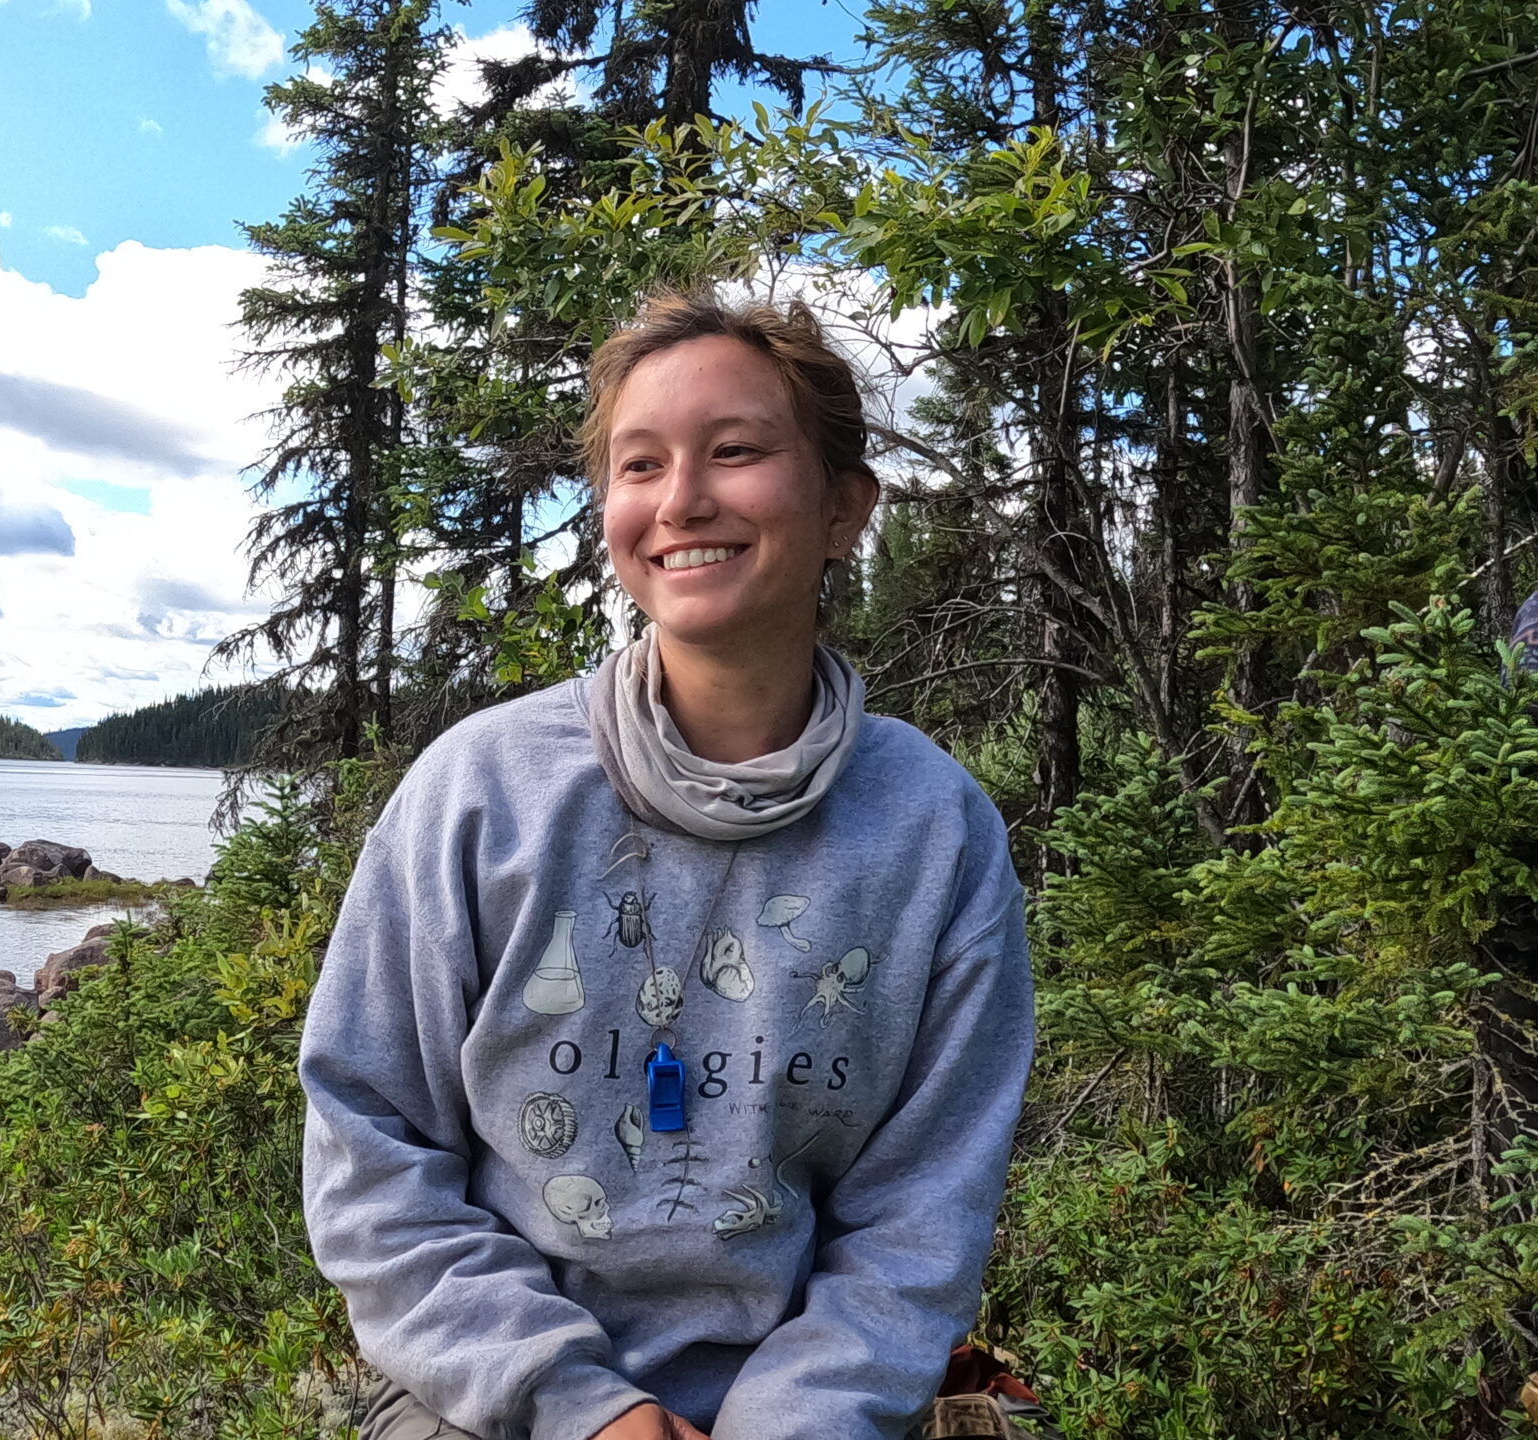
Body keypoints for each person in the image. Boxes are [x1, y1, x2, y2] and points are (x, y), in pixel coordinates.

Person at [298, 290, 1037, 1440]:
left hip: (811, 1408)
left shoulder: (935, 830)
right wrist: (586, 1411)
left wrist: (793, 1422)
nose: (681, 499)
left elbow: (921, 1216)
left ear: (846, 508)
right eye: (640, 466)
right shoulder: (483, 791)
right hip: (494, 1395)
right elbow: (370, 1143)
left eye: (734, 452)